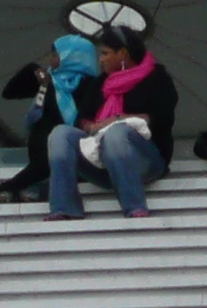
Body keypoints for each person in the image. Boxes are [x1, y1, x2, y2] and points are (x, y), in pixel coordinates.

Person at [47, 27, 178, 220]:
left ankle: (134, 207)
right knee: (60, 134)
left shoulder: (157, 79)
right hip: (102, 163)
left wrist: (119, 120)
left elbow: (163, 118)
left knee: (117, 133)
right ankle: (64, 208)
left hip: (145, 161)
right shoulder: (100, 83)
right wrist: (91, 127)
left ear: (123, 53)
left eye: (105, 53)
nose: (100, 59)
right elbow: (81, 119)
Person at [0, 32, 101, 204]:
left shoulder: (93, 85)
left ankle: (25, 187)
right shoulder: (49, 79)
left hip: (69, 154)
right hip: (40, 151)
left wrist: (9, 185)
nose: (50, 59)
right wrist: (33, 70)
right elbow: (9, 93)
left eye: (55, 55)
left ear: (71, 56)